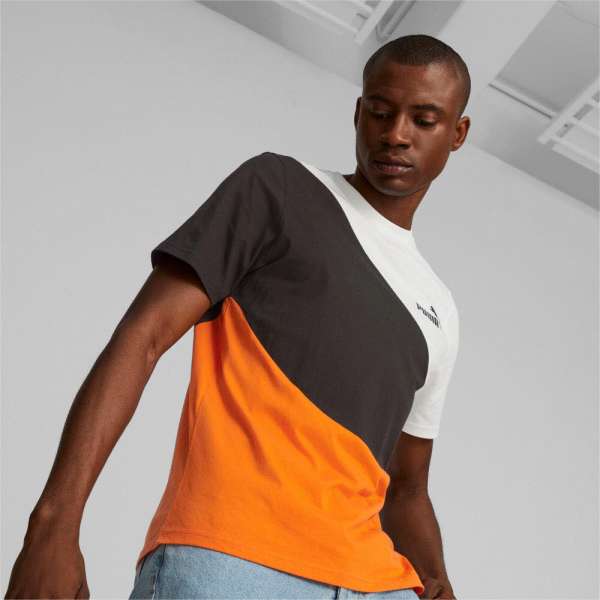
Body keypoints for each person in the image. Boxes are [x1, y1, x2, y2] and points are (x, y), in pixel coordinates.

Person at [4, 33, 470, 600]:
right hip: (234, 560)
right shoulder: (280, 190)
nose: (396, 133)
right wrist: (52, 525)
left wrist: (439, 579)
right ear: (358, 113)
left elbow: (407, 489)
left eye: (424, 120)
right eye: (380, 111)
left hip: (372, 582)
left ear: (457, 133)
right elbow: (143, 338)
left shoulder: (438, 310)